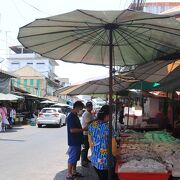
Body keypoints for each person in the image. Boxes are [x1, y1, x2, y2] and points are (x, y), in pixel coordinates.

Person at [88, 105, 118, 180]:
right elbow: (113, 145)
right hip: (105, 161)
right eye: (112, 115)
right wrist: (116, 156)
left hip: (95, 159)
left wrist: (94, 152)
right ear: (107, 115)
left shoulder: (92, 125)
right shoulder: (108, 127)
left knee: (101, 177)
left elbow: (90, 141)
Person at [66, 101, 87, 180]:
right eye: (81, 109)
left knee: (75, 158)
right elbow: (72, 130)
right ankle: (69, 174)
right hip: (73, 141)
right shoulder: (71, 117)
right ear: (77, 108)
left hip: (77, 141)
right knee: (72, 158)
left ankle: (74, 171)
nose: (81, 110)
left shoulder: (75, 115)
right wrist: (83, 129)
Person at [81, 101, 93, 167]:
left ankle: (85, 159)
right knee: (85, 147)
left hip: (88, 132)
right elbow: (88, 122)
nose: (90, 107)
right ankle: (83, 161)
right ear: (87, 107)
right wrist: (95, 120)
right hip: (85, 133)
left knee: (87, 146)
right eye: (89, 106)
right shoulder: (86, 114)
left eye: (91, 106)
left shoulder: (89, 113)